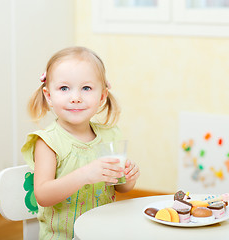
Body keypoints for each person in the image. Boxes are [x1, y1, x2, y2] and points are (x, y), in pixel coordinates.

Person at [21, 46, 140, 240]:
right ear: (49, 96)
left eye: (86, 88)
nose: (75, 98)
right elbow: (43, 195)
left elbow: (121, 187)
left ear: (102, 96)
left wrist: (128, 176)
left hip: (104, 234)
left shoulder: (110, 136)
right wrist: (86, 174)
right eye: (64, 88)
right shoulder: (48, 142)